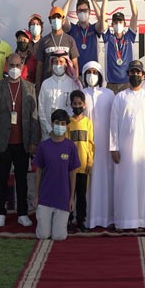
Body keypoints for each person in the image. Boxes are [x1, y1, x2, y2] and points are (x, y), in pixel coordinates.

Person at [0, 53, 40, 228]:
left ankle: (22, 213)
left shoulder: (30, 87)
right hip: (3, 143)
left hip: (23, 143)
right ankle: (0, 213)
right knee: (1, 179)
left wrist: (34, 142)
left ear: (22, 66)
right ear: (6, 66)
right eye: (11, 65)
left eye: (17, 65)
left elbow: (34, 117)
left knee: (21, 180)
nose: (14, 69)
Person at [110, 60, 145, 231]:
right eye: (132, 72)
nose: (135, 75)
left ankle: (141, 221)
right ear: (128, 74)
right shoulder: (120, 97)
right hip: (123, 152)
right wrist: (114, 147)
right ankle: (123, 221)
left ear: (143, 75)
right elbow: (113, 124)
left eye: (138, 72)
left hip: (142, 151)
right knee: (123, 185)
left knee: (142, 185)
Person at [33, 109, 80, 241]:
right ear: (52, 123)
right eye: (57, 123)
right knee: (43, 235)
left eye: (63, 123)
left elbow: (73, 173)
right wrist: (36, 196)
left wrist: (71, 198)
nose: (60, 126)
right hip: (45, 198)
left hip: (63, 199)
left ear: (67, 126)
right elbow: (38, 172)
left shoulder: (70, 147)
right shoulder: (43, 146)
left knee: (59, 236)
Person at [82, 61, 115, 229]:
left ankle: (107, 217)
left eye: (95, 72)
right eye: (89, 72)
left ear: (100, 75)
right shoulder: (81, 94)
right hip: (85, 146)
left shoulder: (109, 94)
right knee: (88, 181)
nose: (92, 75)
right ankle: (88, 218)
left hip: (105, 146)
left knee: (105, 180)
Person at [99, 0, 139, 93]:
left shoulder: (129, 37)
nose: (118, 24)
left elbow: (135, 14)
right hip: (111, 85)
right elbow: (102, 14)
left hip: (127, 84)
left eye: (120, 22)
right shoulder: (108, 38)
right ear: (112, 24)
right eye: (115, 22)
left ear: (124, 24)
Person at [67, 90, 94, 232]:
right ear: (71, 104)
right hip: (70, 167)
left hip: (83, 166)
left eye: (79, 103)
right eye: (74, 103)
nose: (77, 106)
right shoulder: (68, 123)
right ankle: (68, 220)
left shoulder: (88, 122)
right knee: (69, 194)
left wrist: (90, 162)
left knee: (81, 195)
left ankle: (81, 220)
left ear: (84, 104)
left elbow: (90, 143)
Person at [35, 6, 79, 94]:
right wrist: (38, 87)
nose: (56, 20)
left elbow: (75, 66)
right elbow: (39, 67)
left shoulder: (70, 40)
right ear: (50, 20)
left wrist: (75, 84)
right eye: (53, 17)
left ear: (63, 20)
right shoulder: (44, 41)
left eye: (58, 17)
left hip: (66, 85)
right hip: (48, 85)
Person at [38, 50, 80, 137]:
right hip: (48, 133)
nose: (58, 65)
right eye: (56, 62)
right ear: (52, 64)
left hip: (67, 132)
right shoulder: (45, 84)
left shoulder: (72, 84)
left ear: (66, 64)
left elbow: (74, 109)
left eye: (61, 62)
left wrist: (66, 128)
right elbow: (41, 110)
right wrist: (49, 130)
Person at [63, 0, 101, 73]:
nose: (82, 12)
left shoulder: (94, 28)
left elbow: (102, 19)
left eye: (85, 10)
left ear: (90, 12)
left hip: (92, 73)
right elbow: (62, 18)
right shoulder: (72, 28)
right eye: (80, 10)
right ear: (76, 12)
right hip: (76, 74)